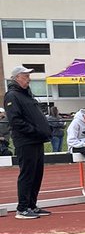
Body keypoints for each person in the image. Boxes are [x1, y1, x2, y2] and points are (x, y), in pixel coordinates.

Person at [3, 66, 51, 219]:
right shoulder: (12, 96)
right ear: (17, 77)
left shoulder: (27, 94)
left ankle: (31, 205)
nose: (29, 79)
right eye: (25, 76)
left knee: (37, 174)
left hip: (36, 140)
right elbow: (15, 120)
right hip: (25, 141)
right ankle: (22, 208)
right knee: (28, 174)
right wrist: (34, 130)